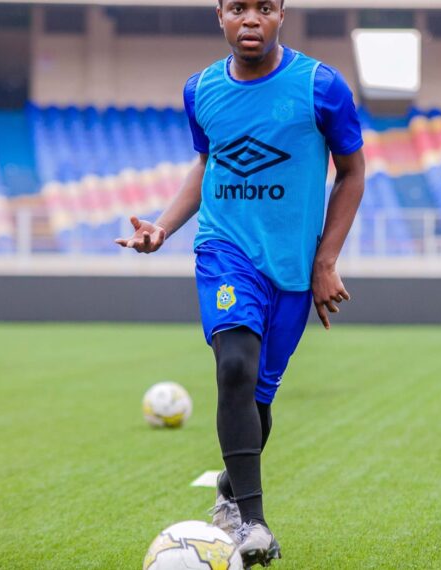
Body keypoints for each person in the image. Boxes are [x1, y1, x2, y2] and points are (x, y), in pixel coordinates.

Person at [117, 0, 364, 565]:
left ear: (282, 15)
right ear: (219, 17)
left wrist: (325, 262)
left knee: (259, 397)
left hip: (294, 268)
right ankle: (253, 523)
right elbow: (208, 163)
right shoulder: (199, 89)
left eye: (263, 8)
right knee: (233, 367)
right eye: (237, 8)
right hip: (225, 252)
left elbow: (352, 173)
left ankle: (231, 491)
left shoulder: (320, 86)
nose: (250, 19)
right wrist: (164, 227)